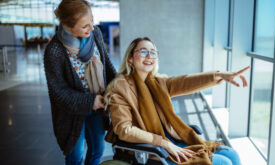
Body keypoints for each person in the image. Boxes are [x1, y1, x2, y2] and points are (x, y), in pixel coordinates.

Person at [104, 37, 249, 165]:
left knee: (231, 154)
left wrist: (219, 75)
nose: (149, 56)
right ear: (130, 58)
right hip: (152, 151)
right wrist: (163, 143)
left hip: (172, 141)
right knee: (223, 163)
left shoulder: (158, 82)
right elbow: (124, 130)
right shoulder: (120, 87)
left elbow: (186, 81)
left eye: (153, 52)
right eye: (143, 51)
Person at [44, 0, 116, 165]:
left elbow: (107, 67)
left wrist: (120, 85)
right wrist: (91, 101)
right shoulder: (55, 51)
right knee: (75, 156)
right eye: (85, 26)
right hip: (71, 113)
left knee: (97, 150)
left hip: (98, 107)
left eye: (92, 21)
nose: (91, 28)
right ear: (67, 25)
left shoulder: (95, 33)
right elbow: (58, 93)